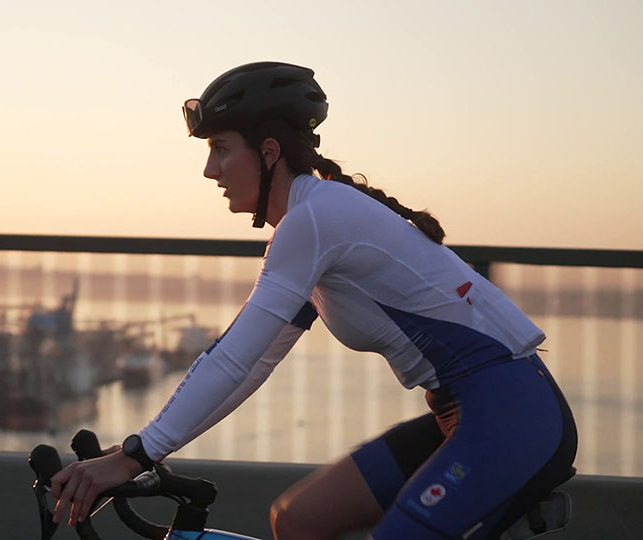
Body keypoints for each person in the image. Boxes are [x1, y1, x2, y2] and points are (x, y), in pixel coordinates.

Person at [50, 61, 578, 540]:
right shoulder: (310, 223)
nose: (210, 171)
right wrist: (136, 450)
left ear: (269, 153)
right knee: (296, 520)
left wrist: (139, 453)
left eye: (221, 149)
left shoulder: (314, 220)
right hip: (460, 413)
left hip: (510, 415)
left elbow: (233, 358)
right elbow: (253, 364)